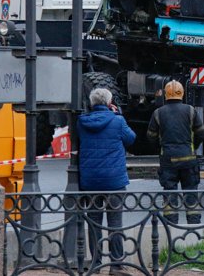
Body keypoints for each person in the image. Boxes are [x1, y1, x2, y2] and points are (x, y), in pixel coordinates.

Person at [78, 88, 136, 275]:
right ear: (109, 102)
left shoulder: (82, 122)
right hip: (114, 181)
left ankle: (95, 264)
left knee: (94, 222)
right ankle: (116, 265)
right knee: (114, 223)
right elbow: (131, 139)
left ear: (92, 103)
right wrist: (117, 113)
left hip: (90, 182)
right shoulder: (117, 120)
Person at [147, 80, 204, 224]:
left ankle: (171, 227)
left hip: (168, 160)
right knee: (191, 195)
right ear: (182, 93)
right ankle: (194, 229)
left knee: (170, 196)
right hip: (189, 159)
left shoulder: (158, 113)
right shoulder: (190, 110)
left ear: (166, 94)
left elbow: (151, 136)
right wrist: (192, 147)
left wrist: (161, 149)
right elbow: (201, 133)